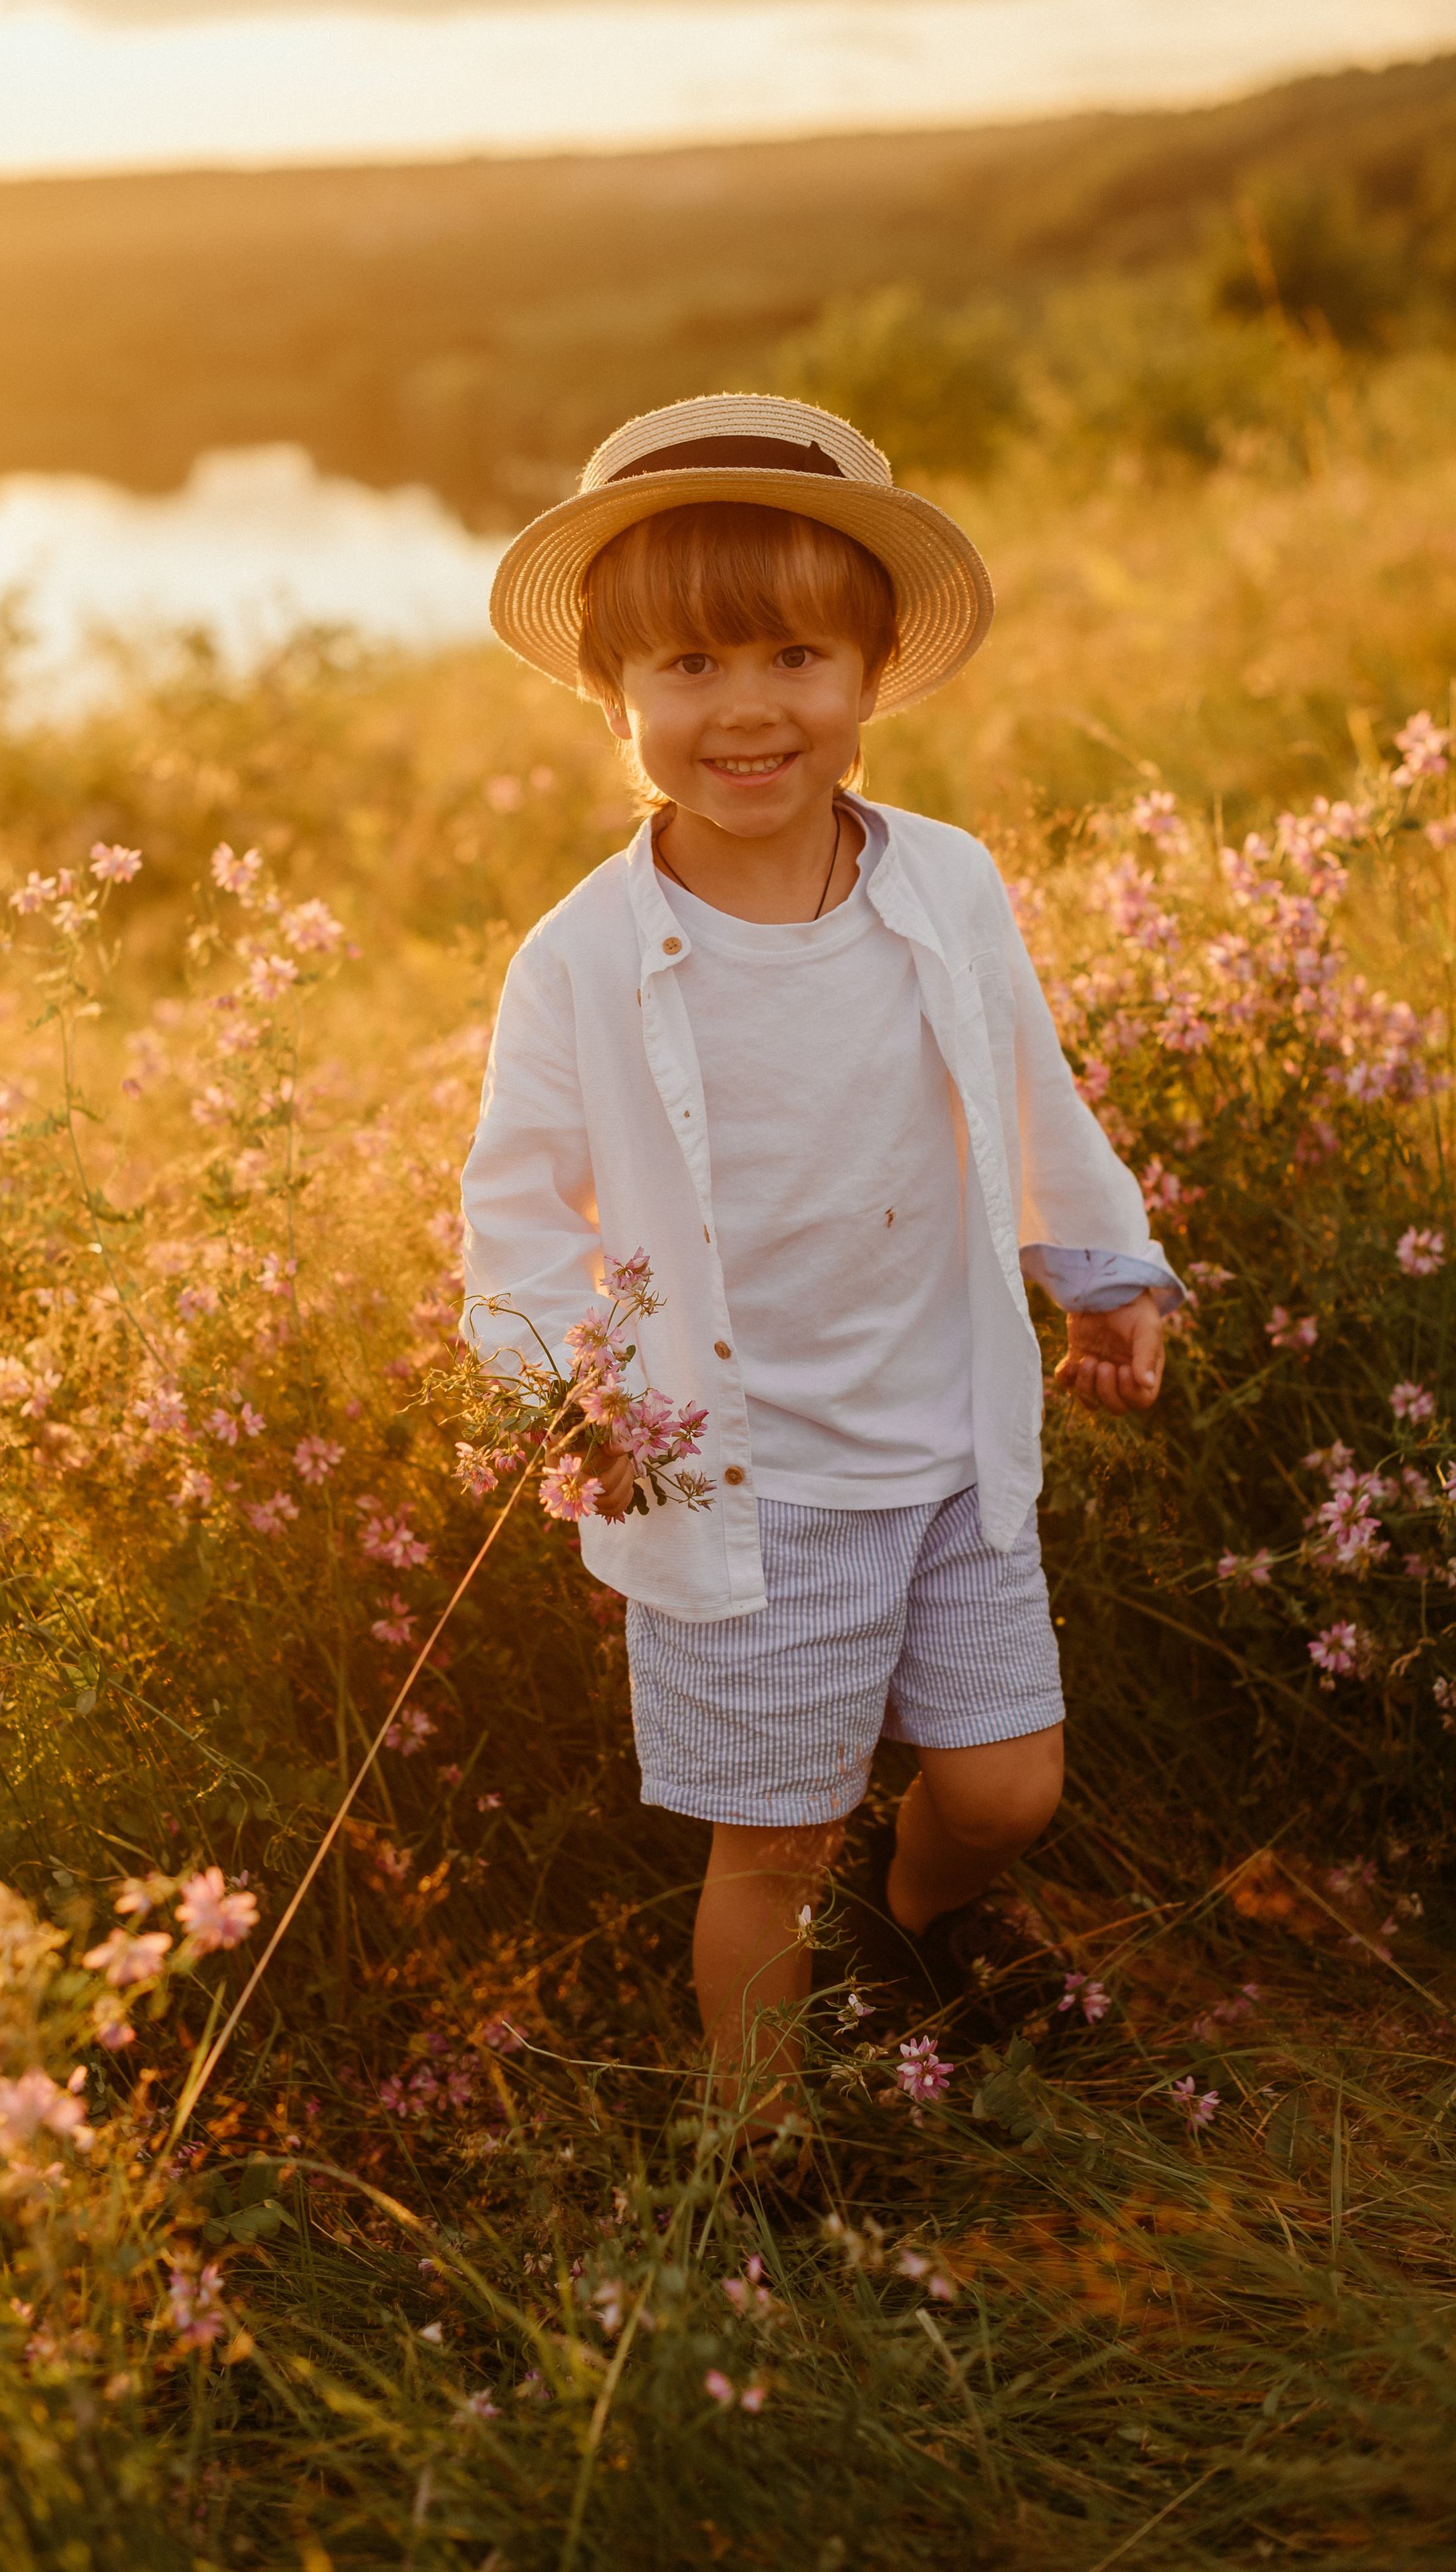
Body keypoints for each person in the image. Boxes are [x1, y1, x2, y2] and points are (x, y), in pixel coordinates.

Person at [461, 392, 1182, 2133]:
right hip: (744, 1483)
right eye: (691, 667)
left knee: (1006, 1786)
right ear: (614, 697)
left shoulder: (942, 881)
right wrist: (579, 1391)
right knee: (768, 1842)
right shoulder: (586, 955)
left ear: (871, 674)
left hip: (942, 1444)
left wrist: (1104, 1266)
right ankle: (756, 2138)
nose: (749, 706)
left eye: (796, 651)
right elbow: (513, 1212)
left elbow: (1029, 1082)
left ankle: (921, 1917)